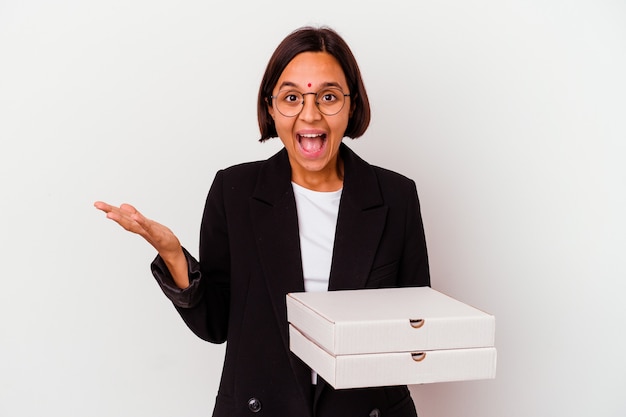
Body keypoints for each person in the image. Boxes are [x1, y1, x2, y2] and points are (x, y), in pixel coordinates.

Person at [95, 25, 430, 417]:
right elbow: (216, 325)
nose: (310, 113)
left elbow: (416, 331)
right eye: (292, 97)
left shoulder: (396, 196)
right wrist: (173, 256)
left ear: (351, 105)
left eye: (327, 96)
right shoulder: (234, 191)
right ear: (271, 108)